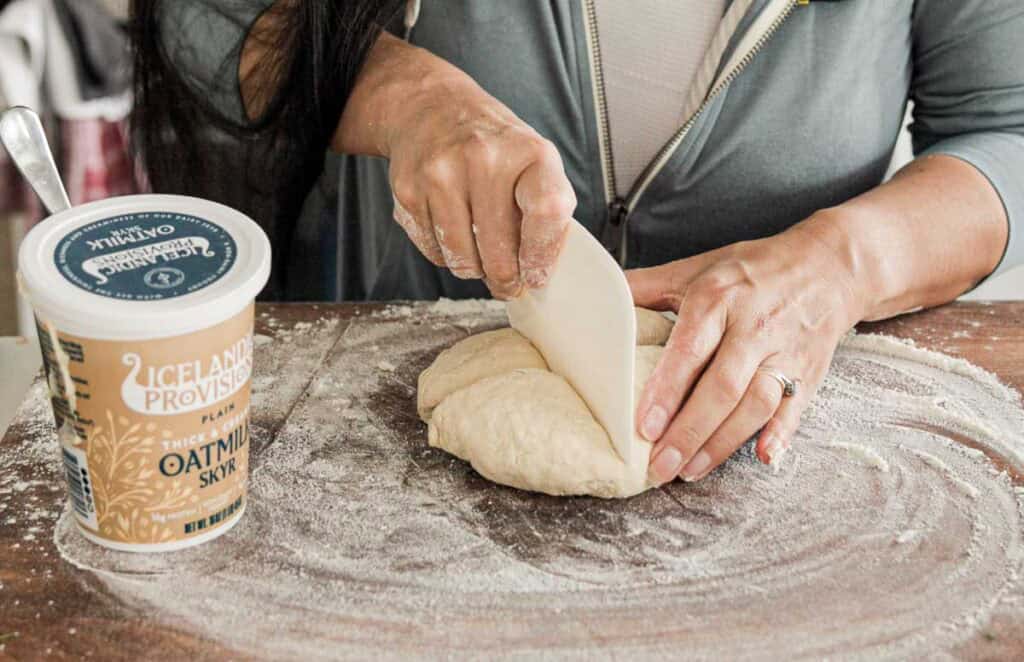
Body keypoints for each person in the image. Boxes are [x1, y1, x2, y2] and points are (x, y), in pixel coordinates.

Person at [132, 0, 1024, 486]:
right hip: (366, 409)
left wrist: (845, 263)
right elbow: (199, 17)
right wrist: (408, 97)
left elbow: (1005, 131)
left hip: (786, 434)